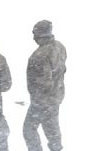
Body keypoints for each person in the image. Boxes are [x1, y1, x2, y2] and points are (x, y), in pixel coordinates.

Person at [23, 20, 67, 151]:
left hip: (42, 100)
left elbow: (44, 82)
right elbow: (62, 69)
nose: (33, 37)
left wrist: (37, 99)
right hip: (56, 96)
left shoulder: (39, 55)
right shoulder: (60, 46)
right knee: (52, 130)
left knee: (29, 129)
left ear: (39, 35)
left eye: (34, 33)